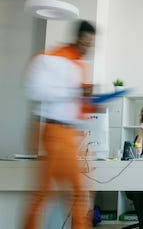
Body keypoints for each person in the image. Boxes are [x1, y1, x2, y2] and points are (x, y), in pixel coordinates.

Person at [23, 20, 96, 229]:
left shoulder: (78, 65)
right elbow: (34, 90)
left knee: (75, 192)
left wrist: (89, 102)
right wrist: (74, 91)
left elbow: (72, 104)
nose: (86, 48)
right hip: (52, 130)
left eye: (90, 44)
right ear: (76, 38)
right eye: (84, 42)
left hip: (67, 133)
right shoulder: (50, 59)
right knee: (49, 192)